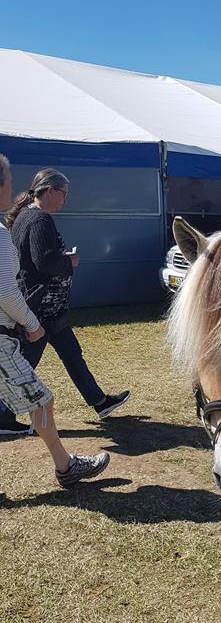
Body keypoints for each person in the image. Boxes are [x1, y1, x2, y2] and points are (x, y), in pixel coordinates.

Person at [0, 154, 111, 488]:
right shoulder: (25, 225)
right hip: (19, 322)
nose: (11, 183)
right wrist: (31, 323)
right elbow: (8, 288)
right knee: (42, 400)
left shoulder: (16, 221)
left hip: (26, 319)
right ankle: (65, 467)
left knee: (60, 367)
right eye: (7, 177)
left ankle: (96, 408)